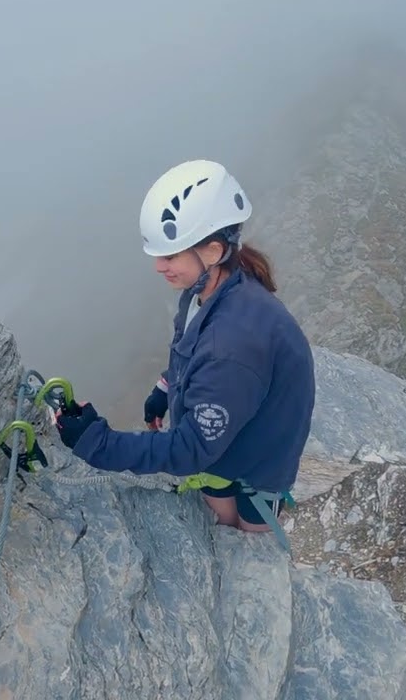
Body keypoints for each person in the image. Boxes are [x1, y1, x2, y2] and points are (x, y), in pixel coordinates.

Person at [52, 159, 316, 548]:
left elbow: (189, 450)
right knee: (220, 523)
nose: (159, 267)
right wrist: (165, 387)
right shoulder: (205, 292)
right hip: (230, 433)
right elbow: (188, 353)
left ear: (212, 252)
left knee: (253, 542)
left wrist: (98, 442)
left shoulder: (233, 346)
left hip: (262, 459)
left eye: (171, 255)